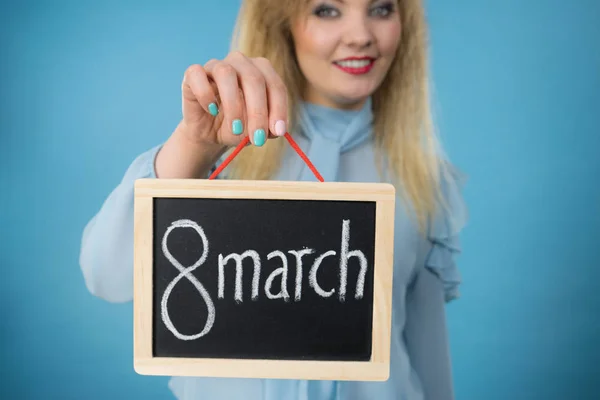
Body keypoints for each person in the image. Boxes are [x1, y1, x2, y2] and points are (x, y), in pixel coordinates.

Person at [79, 0, 467, 398]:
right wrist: (192, 147)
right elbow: (107, 277)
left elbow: (428, 358)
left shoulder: (423, 179)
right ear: (281, 24)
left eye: (382, 9)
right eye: (327, 10)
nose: (360, 36)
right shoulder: (216, 152)